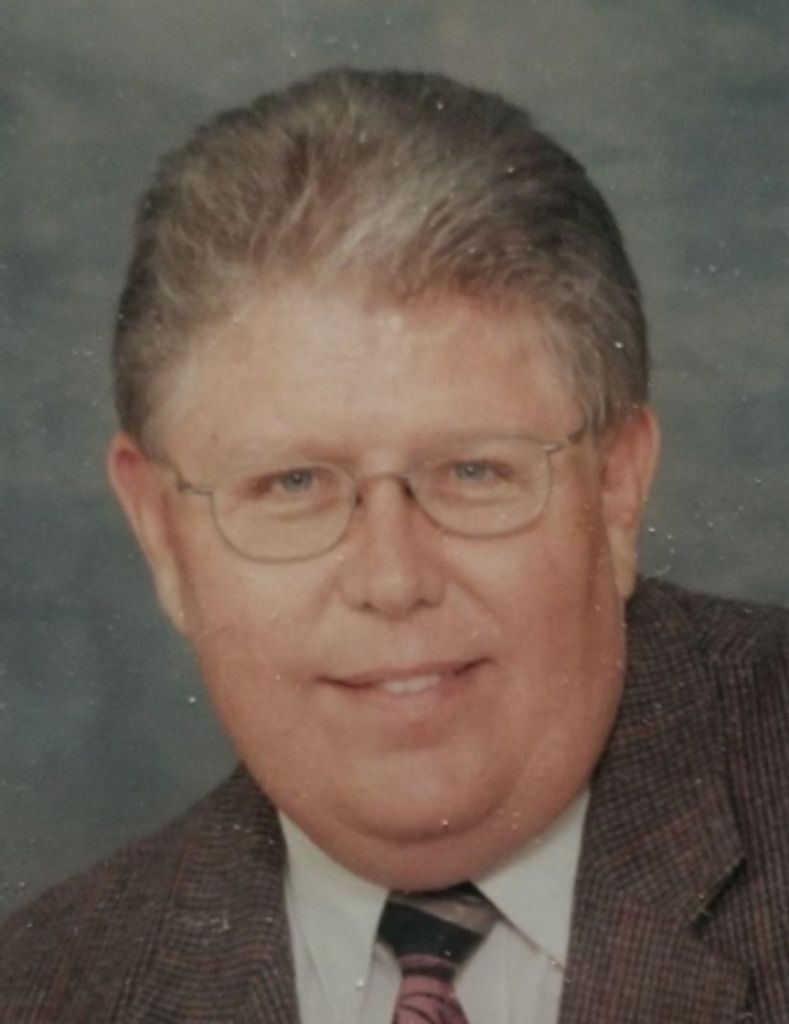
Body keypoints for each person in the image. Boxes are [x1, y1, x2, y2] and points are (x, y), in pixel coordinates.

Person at [1, 67, 787, 1024]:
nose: (391, 578)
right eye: (293, 484)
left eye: (472, 471)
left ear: (616, 487)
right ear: (161, 531)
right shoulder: (44, 992)